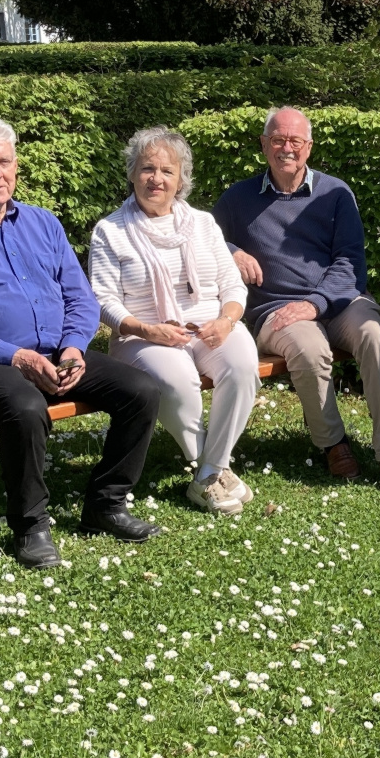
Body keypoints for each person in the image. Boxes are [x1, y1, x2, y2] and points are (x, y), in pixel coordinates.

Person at [0, 116, 163, 569]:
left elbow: (78, 297)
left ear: (16, 167)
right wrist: (17, 356)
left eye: (4, 162)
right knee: (27, 407)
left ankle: (106, 505)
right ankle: (30, 526)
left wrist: (72, 347)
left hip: (56, 354)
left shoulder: (43, 224)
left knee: (141, 391)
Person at [212, 107, 380, 492]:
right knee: (308, 347)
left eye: (295, 141)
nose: (287, 148)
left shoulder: (335, 193)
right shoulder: (237, 198)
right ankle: (333, 443)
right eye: (278, 140)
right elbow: (205, 241)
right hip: (276, 309)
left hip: (339, 300)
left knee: (374, 335)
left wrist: (317, 303)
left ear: (309, 147)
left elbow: (350, 262)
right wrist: (231, 250)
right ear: (263, 145)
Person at [90, 127, 260, 517]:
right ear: (132, 174)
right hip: (143, 335)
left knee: (242, 365)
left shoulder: (202, 224)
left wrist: (227, 320)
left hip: (210, 326)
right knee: (177, 379)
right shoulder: (110, 230)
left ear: (181, 179)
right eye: (147, 168)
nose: (157, 179)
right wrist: (147, 329)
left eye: (167, 171)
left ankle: (210, 471)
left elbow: (232, 284)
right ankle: (211, 471)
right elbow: (102, 300)